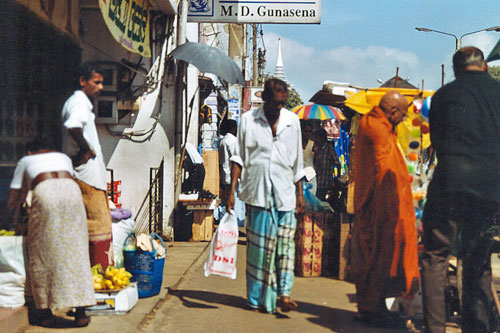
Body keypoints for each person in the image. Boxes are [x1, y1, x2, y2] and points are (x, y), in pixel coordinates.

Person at [421, 47, 500, 333]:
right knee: (477, 259)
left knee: (436, 256)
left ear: (455, 69)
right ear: (484, 66)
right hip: (490, 189)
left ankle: (435, 329)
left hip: (449, 184)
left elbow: (437, 142)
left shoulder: (443, 96)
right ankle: (476, 328)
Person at [227, 78, 305, 313]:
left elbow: (298, 162)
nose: (279, 107)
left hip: (285, 194)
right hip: (258, 193)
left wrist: (300, 195)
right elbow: (238, 158)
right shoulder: (248, 121)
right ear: (264, 98)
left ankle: (284, 292)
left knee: (285, 247)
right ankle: (255, 299)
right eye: (275, 102)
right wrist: (231, 191)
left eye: (283, 103)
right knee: (258, 251)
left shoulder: (292, 122)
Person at [5, 138, 94, 327]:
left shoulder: (25, 161)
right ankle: (81, 312)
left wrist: (9, 220)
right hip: (72, 192)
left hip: (45, 191)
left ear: (30, 152)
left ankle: (45, 311)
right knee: (75, 248)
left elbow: (15, 195)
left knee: (42, 249)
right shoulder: (62, 157)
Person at [351, 90, 420, 327]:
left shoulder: (379, 123)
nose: (404, 118)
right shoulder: (376, 126)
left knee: (381, 256)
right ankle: (371, 309)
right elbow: (383, 170)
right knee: (376, 255)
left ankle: (375, 307)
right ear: (392, 111)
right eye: (403, 113)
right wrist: (393, 209)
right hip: (378, 204)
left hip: (383, 203)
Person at [61, 61, 113, 269]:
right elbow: (73, 125)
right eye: (96, 82)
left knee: (91, 228)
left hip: (87, 177)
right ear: (83, 81)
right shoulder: (79, 102)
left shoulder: (80, 102)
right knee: (99, 227)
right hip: (87, 177)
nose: (100, 87)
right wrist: (86, 149)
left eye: (102, 83)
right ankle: (97, 278)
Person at [216, 119, 245, 226]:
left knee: (226, 202)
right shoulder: (232, 141)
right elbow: (236, 160)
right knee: (236, 202)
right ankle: (234, 225)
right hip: (233, 177)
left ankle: (224, 224)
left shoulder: (223, 141)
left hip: (225, 176)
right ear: (232, 128)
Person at [313, 128, 340, 201]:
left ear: (322, 138)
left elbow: (337, 163)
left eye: (317, 137)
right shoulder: (316, 149)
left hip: (326, 183)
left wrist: (337, 178)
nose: (316, 139)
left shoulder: (329, 149)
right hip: (317, 182)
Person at [300, 120, 317, 195]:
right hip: (299, 176)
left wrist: (317, 153)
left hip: (311, 176)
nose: (307, 134)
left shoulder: (313, 145)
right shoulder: (296, 144)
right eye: (306, 131)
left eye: (310, 132)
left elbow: (317, 162)